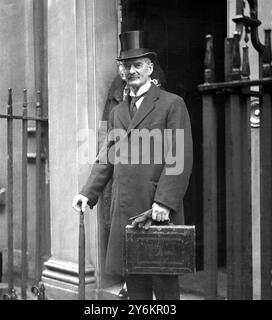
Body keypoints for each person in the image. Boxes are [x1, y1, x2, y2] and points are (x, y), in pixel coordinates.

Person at [72, 30, 193, 300]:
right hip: (125, 209)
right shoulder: (118, 112)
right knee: (135, 285)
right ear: (121, 71)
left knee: (163, 283)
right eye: (126, 66)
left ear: (149, 68)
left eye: (137, 65)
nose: (132, 70)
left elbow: (180, 156)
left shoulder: (172, 104)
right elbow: (107, 156)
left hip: (155, 209)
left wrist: (165, 201)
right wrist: (87, 192)